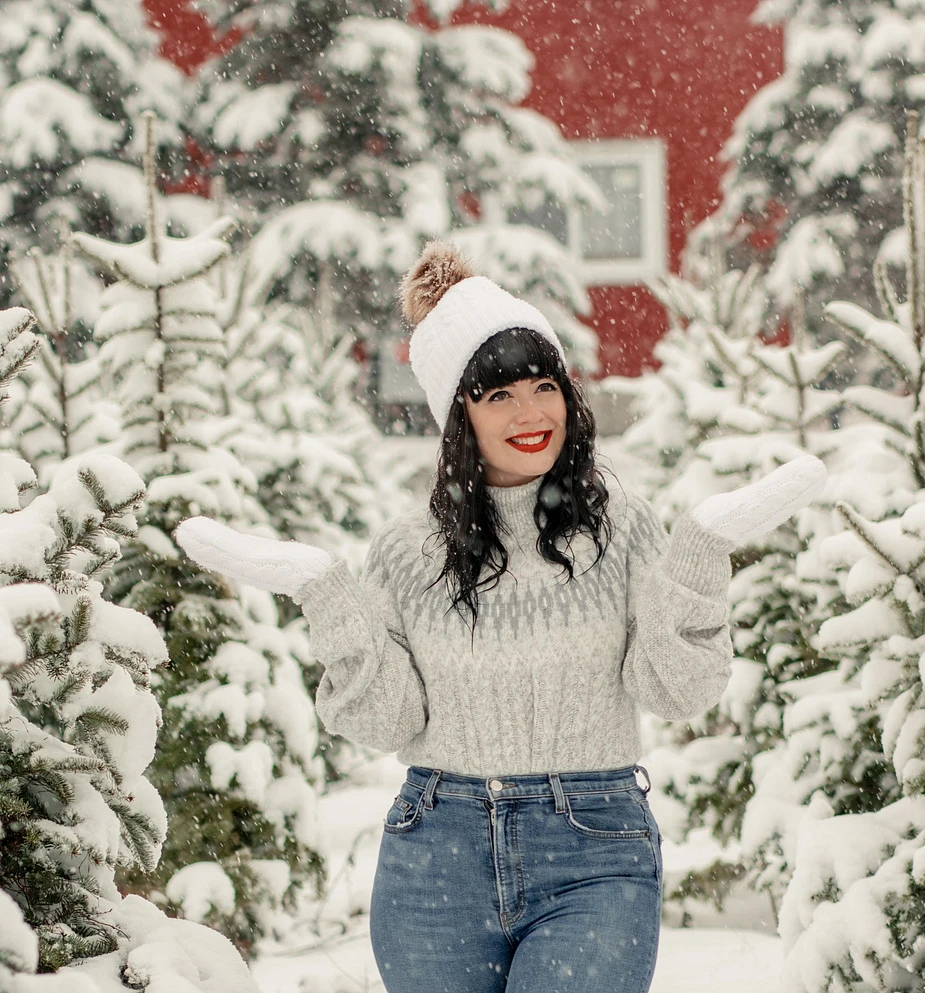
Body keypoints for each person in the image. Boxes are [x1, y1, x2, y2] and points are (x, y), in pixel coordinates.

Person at [176, 242, 827, 993]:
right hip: (435, 852)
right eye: (499, 397)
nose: (531, 413)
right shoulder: (407, 550)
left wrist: (698, 557)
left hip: (593, 847)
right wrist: (326, 591)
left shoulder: (622, 529)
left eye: (543, 385)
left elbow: (676, 690)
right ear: (461, 416)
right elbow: (388, 721)